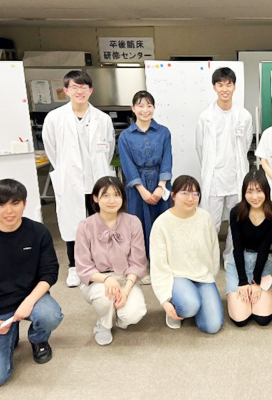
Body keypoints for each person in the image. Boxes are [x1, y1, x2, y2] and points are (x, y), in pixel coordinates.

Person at [0, 179, 63, 388]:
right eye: (1, 205)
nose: (9, 211)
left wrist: (29, 301)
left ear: (24, 204)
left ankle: (38, 339)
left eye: (15, 203)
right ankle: (12, 332)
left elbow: (49, 272)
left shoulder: (38, 232)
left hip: (32, 298)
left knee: (50, 315)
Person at [42, 70, 115, 287]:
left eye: (83, 87)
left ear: (90, 90)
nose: (79, 91)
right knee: (72, 224)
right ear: (66, 90)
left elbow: (108, 148)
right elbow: (52, 150)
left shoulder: (102, 119)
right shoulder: (54, 118)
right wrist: (66, 168)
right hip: (70, 179)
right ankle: (74, 266)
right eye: (74, 87)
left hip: (96, 179)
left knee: (100, 223)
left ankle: (101, 262)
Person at [74, 177, 148, 346]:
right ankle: (104, 324)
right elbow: (84, 267)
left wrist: (126, 292)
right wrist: (107, 279)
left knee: (134, 313)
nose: (112, 200)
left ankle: (117, 316)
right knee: (105, 297)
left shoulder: (133, 222)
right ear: (95, 198)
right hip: (97, 280)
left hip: (126, 278)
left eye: (116, 195)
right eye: (105, 195)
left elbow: (137, 262)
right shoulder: (85, 226)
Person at [150, 175, 224, 334]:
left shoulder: (205, 217)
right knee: (190, 305)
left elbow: (214, 251)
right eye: (184, 193)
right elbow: (158, 265)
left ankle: (192, 300)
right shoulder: (162, 223)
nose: (190, 198)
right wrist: (164, 300)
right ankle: (177, 305)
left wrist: (211, 276)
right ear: (173, 195)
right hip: (177, 277)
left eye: (195, 194)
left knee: (212, 326)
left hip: (202, 276)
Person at [195, 67, 253, 264]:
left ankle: (230, 257)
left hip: (236, 176)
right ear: (214, 87)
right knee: (211, 222)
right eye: (220, 85)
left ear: (234, 86)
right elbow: (200, 147)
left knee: (237, 222)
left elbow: (246, 144)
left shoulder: (244, 116)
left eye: (229, 84)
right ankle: (210, 259)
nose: (225, 89)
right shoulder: (205, 117)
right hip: (214, 179)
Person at [118, 90, 172, 262]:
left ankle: (163, 261)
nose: (145, 110)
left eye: (149, 105)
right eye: (140, 106)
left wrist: (161, 186)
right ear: (133, 108)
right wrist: (142, 190)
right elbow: (127, 165)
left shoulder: (163, 132)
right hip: (137, 187)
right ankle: (141, 262)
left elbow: (167, 159)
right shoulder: (125, 136)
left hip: (160, 183)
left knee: (163, 223)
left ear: (154, 108)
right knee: (138, 224)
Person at [226, 171, 272, 327]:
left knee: (262, 319)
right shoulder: (236, 212)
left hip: (262, 262)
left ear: (266, 191)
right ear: (244, 193)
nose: (255, 197)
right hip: (239, 262)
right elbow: (237, 247)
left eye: (259, 191)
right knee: (241, 319)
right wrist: (243, 281)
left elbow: (265, 248)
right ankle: (240, 295)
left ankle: (259, 295)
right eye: (249, 191)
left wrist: (256, 281)